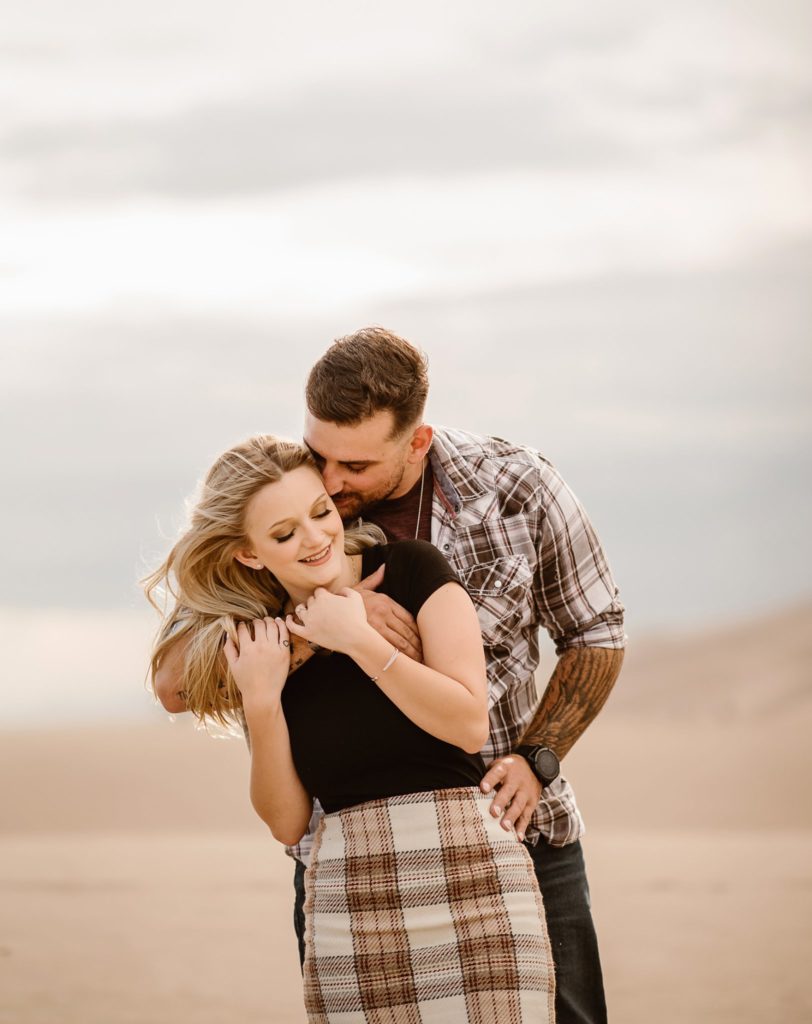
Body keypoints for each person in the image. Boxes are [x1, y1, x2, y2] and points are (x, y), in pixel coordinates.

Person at [156, 327, 625, 1024]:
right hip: (344, 852)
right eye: (320, 454)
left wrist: (537, 758)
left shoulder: (516, 488)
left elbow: (595, 630)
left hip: (508, 822)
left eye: (353, 466)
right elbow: (177, 680)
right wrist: (330, 616)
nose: (333, 484)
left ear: (416, 441)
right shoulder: (295, 504)